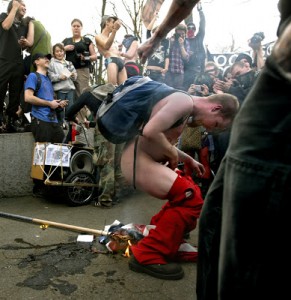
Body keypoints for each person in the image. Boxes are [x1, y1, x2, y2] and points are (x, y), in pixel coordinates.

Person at [196, 0, 291, 298]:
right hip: (253, 138)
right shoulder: (231, 81)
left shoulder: (252, 78)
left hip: (267, 136)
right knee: (213, 220)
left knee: (241, 238)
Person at [116, 76, 239, 280]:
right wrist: (173, 154)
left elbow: (160, 140)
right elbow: (150, 131)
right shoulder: (183, 101)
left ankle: (169, 238)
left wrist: (188, 159)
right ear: (216, 108)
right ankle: (147, 254)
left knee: (191, 191)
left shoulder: (185, 106)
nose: (210, 129)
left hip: (143, 160)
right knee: (190, 197)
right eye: (216, 124)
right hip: (139, 162)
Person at [24, 52, 68, 196]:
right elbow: (28, 97)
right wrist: (49, 103)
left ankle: (54, 186)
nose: (48, 60)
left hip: (53, 120)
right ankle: (38, 188)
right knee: (42, 154)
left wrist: (58, 103)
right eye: (44, 58)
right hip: (40, 120)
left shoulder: (48, 79)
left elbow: (49, 101)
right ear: (37, 61)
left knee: (60, 152)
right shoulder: (33, 76)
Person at [0, 0, 28, 133]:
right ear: (14, 6)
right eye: (22, 5)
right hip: (4, 59)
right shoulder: (4, 16)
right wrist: (14, 8)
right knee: (1, 89)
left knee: (15, 93)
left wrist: (24, 43)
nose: (25, 8)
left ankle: (11, 121)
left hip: (18, 61)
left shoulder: (23, 25)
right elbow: (5, 26)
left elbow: (25, 44)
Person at [62, 19, 97, 98]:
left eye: (78, 26)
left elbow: (94, 56)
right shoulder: (66, 41)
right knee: (69, 94)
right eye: (74, 26)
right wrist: (64, 48)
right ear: (71, 28)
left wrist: (85, 58)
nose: (76, 28)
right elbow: (56, 53)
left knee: (82, 93)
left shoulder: (87, 40)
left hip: (82, 70)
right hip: (68, 71)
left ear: (81, 28)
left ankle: (85, 110)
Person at [48, 43, 77, 126]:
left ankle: (70, 124)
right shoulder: (52, 64)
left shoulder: (69, 63)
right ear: (53, 53)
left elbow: (75, 75)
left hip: (70, 89)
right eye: (57, 51)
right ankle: (60, 124)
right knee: (60, 108)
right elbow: (51, 77)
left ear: (64, 52)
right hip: (59, 90)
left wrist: (73, 75)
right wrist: (59, 77)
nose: (59, 53)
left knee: (70, 108)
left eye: (61, 51)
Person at [95, 15, 127, 85]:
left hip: (120, 61)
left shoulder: (112, 38)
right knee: (111, 87)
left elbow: (114, 51)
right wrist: (114, 30)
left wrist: (120, 50)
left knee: (124, 89)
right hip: (111, 60)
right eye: (113, 22)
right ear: (107, 22)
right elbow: (106, 46)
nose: (114, 24)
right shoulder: (98, 36)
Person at [183, 2, 206, 91]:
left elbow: (202, 25)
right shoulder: (183, 41)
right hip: (186, 72)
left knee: (198, 92)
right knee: (186, 92)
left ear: (195, 30)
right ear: (186, 29)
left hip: (198, 71)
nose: (191, 29)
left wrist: (200, 11)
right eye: (189, 28)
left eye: (193, 28)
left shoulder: (198, 39)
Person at [165, 23, 190, 90]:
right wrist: (171, 43)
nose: (181, 35)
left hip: (179, 72)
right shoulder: (170, 40)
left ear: (185, 33)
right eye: (179, 34)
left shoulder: (186, 42)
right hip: (169, 71)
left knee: (177, 91)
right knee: (168, 90)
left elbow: (186, 58)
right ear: (176, 33)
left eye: (183, 33)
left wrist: (181, 45)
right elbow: (165, 54)